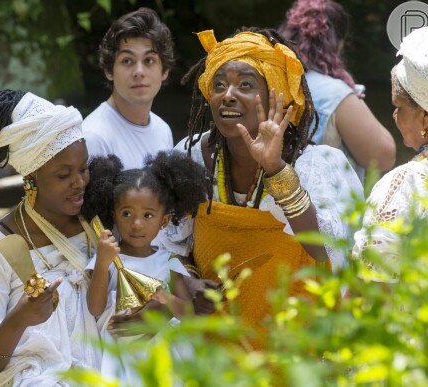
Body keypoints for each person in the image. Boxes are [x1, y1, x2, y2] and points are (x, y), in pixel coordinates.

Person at [151, 27, 364, 349]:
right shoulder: (191, 157)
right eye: (219, 85)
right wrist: (187, 282)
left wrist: (276, 169)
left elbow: (325, 248)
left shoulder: (317, 165)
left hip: (295, 344)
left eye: (246, 85)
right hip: (216, 346)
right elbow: (166, 246)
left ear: (276, 95)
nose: (228, 94)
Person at [0, 90, 100, 386]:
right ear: (30, 178)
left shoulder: (96, 225)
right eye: (63, 175)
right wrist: (19, 319)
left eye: (84, 168)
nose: (80, 182)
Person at [82, 150, 209, 382]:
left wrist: (166, 300)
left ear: (164, 220)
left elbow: (189, 314)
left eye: (148, 215)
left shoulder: (169, 262)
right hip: (122, 358)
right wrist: (102, 264)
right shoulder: (108, 257)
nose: (137, 224)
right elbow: (94, 308)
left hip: (167, 356)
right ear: (114, 215)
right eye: (127, 213)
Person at [352, 26, 428, 282]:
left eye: (399, 107)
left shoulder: (406, 184)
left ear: (427, 116)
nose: (394, 116)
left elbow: (369, 285)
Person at [279, 0, 396, 181]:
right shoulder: (334, 93)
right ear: (336, 42)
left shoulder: (269, 82)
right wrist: (352, 100)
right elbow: (383, 157)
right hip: (323, 205)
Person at [82, 7, 175, 170]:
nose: (139, 72)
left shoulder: (163, 130)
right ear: (109, 71)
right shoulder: (94, 138)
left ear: (165, 71)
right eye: (127, 61)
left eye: (149, 60)